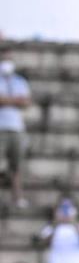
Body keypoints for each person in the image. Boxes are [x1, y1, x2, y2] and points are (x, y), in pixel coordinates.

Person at [0, 52, 32, 209]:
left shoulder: (20, 81)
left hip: (17, 128)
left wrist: (6, 100)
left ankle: (17, 197)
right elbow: (20, 100)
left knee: (17, 166)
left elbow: (26, 102)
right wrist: (15, 100)